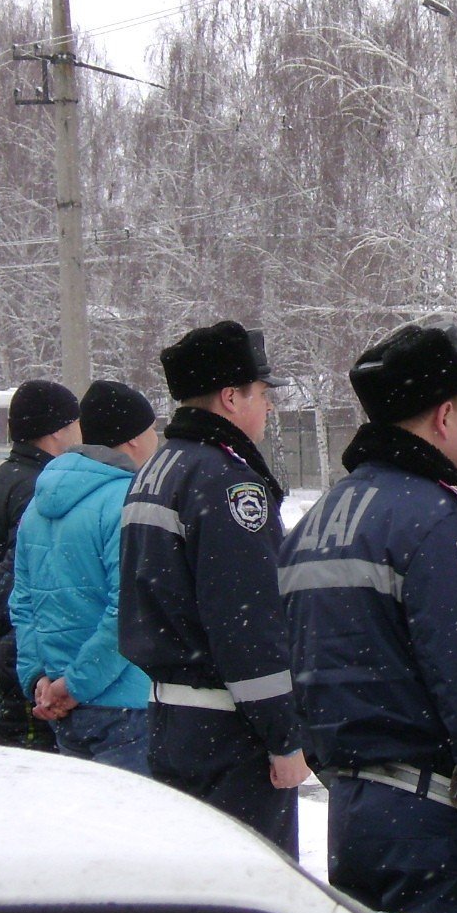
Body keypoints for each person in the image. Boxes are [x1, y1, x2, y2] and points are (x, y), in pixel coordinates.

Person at [281, 321, 457, 913]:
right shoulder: (439, 525)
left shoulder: (318, 522)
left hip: (355, 814)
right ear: (443, 417)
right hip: (437, 829)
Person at [120, 322, 307, 853]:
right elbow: (248, 622)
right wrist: (283, 734)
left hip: (172, 719)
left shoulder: (158, 468)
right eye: (262, 394)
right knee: (254, 899)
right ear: (230, 396)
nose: (269, 407)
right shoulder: (227, 481)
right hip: (229, 731)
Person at [12, 381, 158, 771]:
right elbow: (129, 608)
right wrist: (75, 685)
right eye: (152, 430)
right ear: (132, 441)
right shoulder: (128, 502)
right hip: (125, 704)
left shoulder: (37, 507)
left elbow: (23, 603)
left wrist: (40, 679)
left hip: (63, 708)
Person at [0, 378, 81, 745]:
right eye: (75, 423)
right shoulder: (41, 490)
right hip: (23, 672)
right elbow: (21, 593)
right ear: (57, 431)